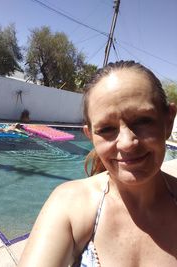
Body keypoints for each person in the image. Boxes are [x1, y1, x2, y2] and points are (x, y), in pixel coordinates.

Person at [18, 60, 177, 267]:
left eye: (143, 120)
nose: (127, 143)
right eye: (106, 129)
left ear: (168, 122)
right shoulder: (69, 204)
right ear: (90, 136)